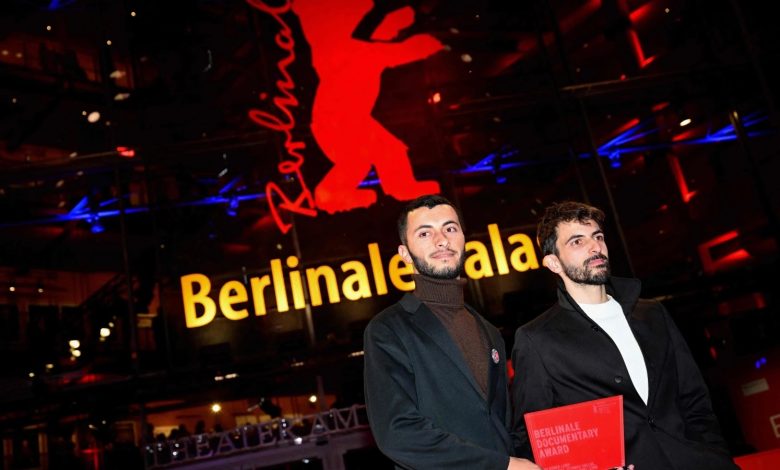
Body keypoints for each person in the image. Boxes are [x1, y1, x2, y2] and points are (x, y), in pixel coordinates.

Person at [510, 200, 739, 469]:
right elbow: (531, 437)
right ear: (553, 263)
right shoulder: (537, 339)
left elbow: (694, 397)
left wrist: (714, 454)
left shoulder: (652, 314)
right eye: (577, 241)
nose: (595, 247)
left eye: (598, 237)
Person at [363, 194, 539, 470]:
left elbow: (502, 426)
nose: (442, 240)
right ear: (405, 254)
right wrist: (499, 465)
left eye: (450, 228)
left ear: (464, 240)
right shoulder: (388, 329)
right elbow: (398, 433)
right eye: (424, 233)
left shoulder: (489, 331)